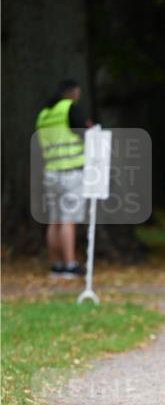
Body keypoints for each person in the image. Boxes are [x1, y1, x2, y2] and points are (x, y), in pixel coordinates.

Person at [35, 79, 91, 278]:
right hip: (71, 171)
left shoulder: (44, 114)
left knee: (54, 220)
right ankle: (70, 265)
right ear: (73, 92)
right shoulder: (69, 108)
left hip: (51, 171)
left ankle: (56, 265)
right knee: (69, 219)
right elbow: (86, 133)